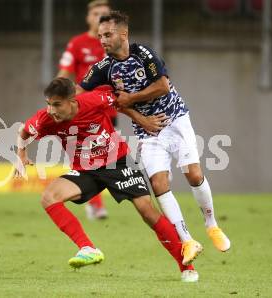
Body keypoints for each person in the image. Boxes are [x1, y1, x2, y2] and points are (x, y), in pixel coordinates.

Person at [78, 11, 231, 261]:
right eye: (99, 36)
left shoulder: (144, 54)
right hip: (148, 132)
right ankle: (187, 241)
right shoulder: (103, 68)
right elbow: (81, 93)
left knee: (193, 174)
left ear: (123, 34)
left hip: (176, 120)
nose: (102, 40)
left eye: (107, 35)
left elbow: (163, 86)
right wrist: (137, 117)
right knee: (158, 184)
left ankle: (212, 225)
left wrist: (130, 99)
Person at [15, 77, 199, 282]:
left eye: (57, 104)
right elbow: (23, 131)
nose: (51, 110)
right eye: (48, 104)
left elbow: (121, 101)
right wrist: (21, 154)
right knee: (49, 197)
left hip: (118, 163)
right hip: (86, 171)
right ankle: (88, 248)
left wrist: (142, 119)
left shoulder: (96, 100)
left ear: (72, 100)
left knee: (146, 210)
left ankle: (187, 267)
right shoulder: (45, 119)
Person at [56, 0, 114, 220]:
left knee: (106, 157)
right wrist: (57, 97)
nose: (100, 17)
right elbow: (64, 72)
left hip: (109, 109)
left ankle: (94, 199)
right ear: (88, 17)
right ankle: (96, 203)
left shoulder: (114, 44)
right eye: (96, 13)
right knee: (85, 156)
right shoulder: (77, 43)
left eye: (104, 14)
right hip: (82, 109)